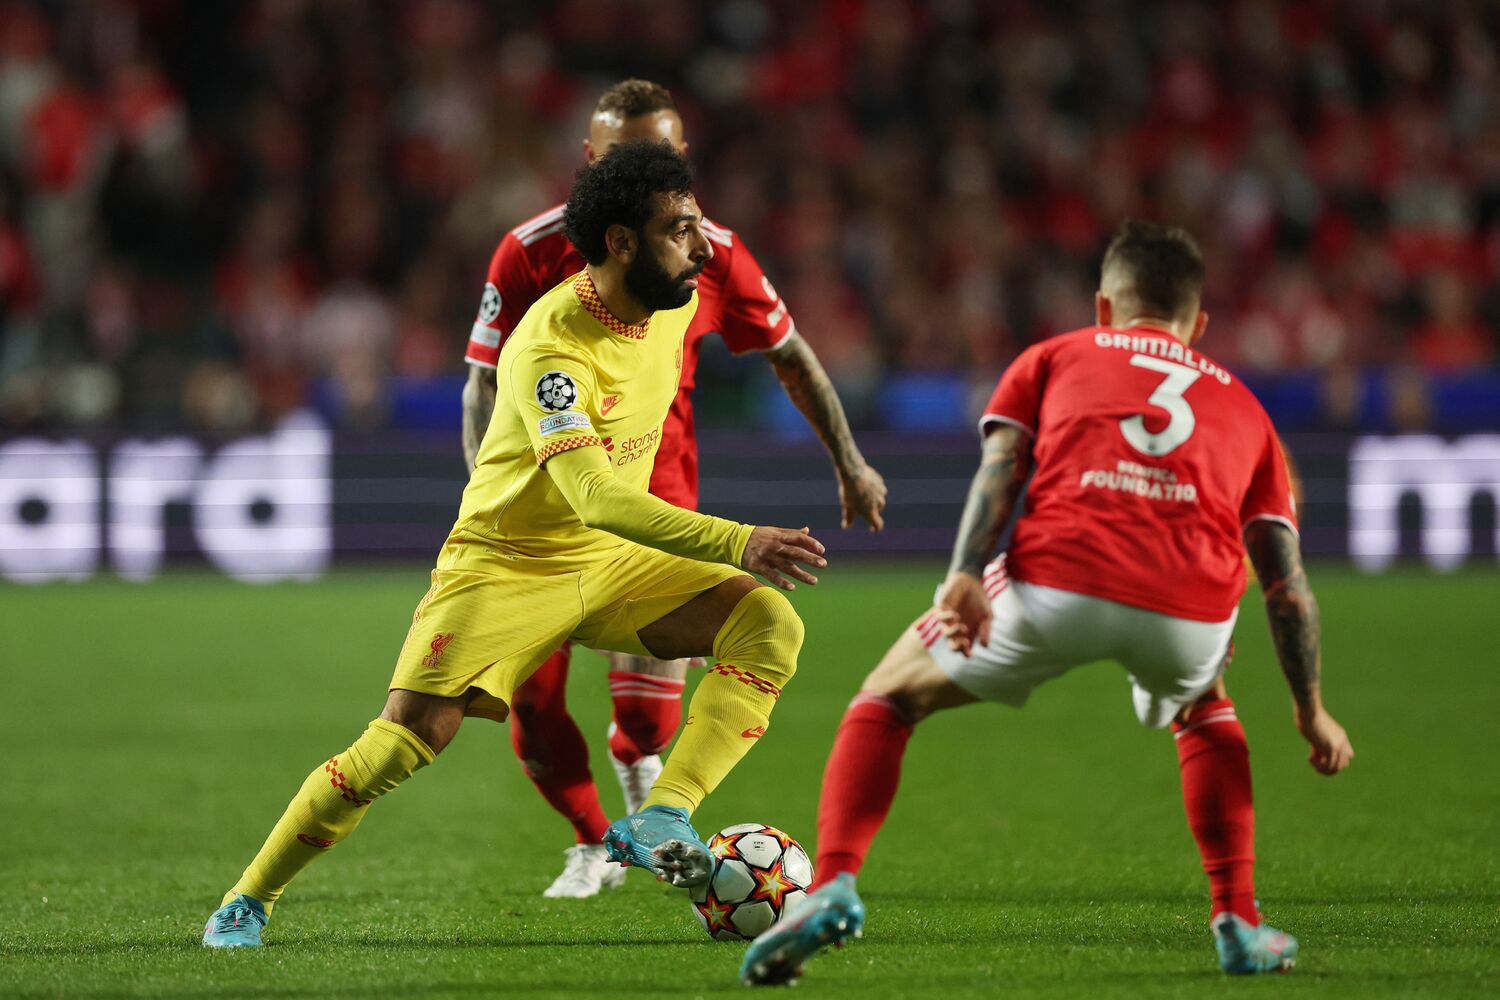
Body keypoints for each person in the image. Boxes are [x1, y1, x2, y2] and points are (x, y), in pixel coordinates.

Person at [202, 140, 827, 947]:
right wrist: (738, 541)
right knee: (402, 743)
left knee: (768, 626)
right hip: (507, 564)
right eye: (679, 230)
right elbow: (594, 496)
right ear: (620, 243)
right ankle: (248, 899)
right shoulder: (550, 347)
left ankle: (663, 813)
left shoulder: (673, 303)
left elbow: (762, 344)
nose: (701, 247)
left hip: (610, 562)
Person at [740, 220, 1355, 985]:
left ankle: (832, 885)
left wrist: (964, 573)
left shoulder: (1057, 354)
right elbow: (1287, 587)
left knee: (887, 698)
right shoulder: (1248, 409)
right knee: (1205, 704)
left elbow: (1003, 466)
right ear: (1198, 325)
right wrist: (1310, 709)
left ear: (1104, 308)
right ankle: (1238, 920)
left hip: (1063, 576)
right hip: (1193, 608)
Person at [461, 79, 886, 898]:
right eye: (618, 156)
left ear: (683, 156)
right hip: (543, 521)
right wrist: (484, 500)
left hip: (653, 512)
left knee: (649, 718)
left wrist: (849, 460)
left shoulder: (709, 251)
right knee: (533, 705)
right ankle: (591, 841)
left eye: (657, 152)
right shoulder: (529, 251)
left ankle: (646, 794)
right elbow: (481, 383)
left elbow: (789, 353)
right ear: (589, 160)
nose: (639, 167)